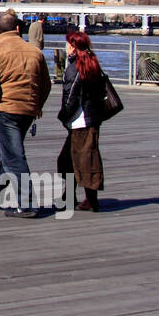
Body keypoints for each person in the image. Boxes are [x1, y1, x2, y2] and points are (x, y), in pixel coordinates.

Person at [0, 11, 52, 217]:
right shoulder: (35, 52)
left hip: (5, 110)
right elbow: (46, 84)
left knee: (14, 156)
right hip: (28, 111)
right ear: (18, 29)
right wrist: (37, 105)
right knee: (9, 152)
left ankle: (26, 204)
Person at [56, 31, 107, 211]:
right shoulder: (92, 63)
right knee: (73, 159)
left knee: (83, 161)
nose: (65, 47)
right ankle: (69, 196)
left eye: (68, 44)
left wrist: (63, 116)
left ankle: (90, 201)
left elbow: (71, 97)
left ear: (73, 46)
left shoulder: (75, 68)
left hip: (80, 121)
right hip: (91, 119)